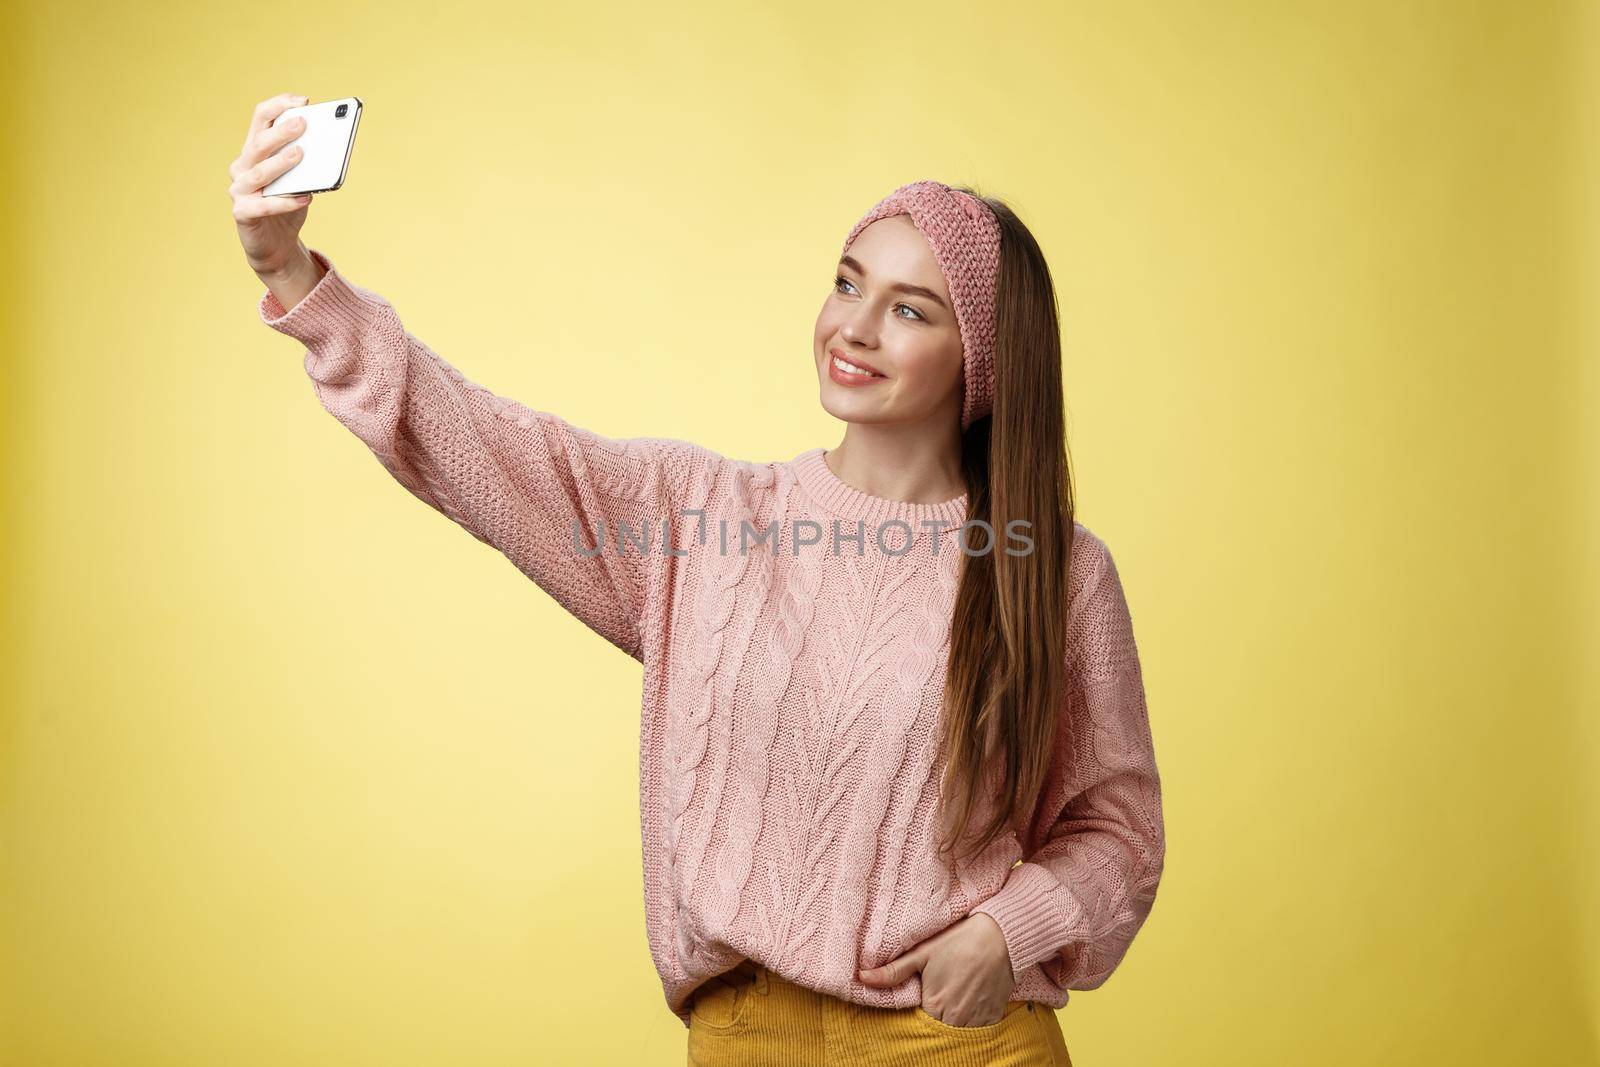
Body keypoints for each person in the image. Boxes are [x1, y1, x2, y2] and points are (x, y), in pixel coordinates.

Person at [230, 92, 1165, 1067]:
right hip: (748, 1033)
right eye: (847, 284)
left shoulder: (1050, 569)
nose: (854, 327)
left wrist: (1005, 932)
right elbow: (474, 441)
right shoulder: (701, 520)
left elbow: (1119, 832)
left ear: (981, 356)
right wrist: (290, 273)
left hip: (962, 1041)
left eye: (908, 309)